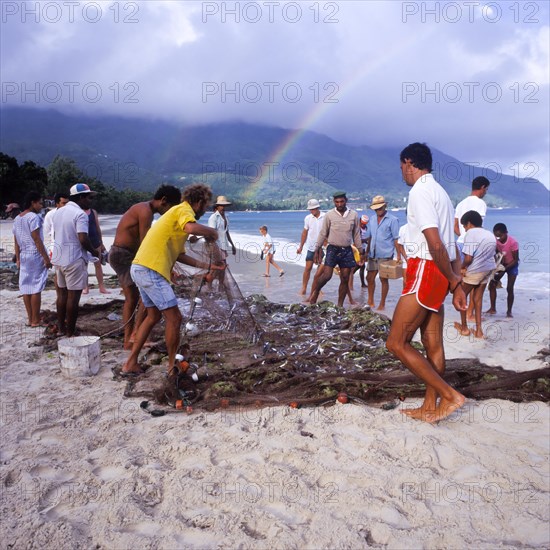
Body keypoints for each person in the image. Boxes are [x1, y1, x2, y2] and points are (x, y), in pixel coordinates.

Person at [386, 143, 466, 424]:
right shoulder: (441, 193)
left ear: (409, 162)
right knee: (433, 345)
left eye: (401, 168)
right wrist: (454, 282)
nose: (402, 174)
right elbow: (452, 245)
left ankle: (450, 395)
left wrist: (455, 282)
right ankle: (429, 406)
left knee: (396, 343)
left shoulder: (419, 191)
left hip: (426, 270)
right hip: (441, 274)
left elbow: (434, 243)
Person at [121, 184, 224, 376]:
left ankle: (130, 363)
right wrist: (212, 232)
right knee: (175, 318)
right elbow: (190, 226)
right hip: (150, 270)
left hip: (141, 267)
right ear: (199, 202)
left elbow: (179, 256)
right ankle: (172, 367)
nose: (203, 211)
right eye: (205, 206)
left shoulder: (176, 215)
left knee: (153, 316)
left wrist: (209, 266)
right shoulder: (183, 210)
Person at [109, 185, 182, 349]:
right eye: (171, 207)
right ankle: (130, 338)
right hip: (123, 254)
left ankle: (134, 335)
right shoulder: (145, 211)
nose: (170, 212)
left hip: (126, 254)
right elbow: (146, 242)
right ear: (163, 201)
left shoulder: (144, 209)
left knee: (138, 297)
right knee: (134, 298)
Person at [51, 183, 100, 336]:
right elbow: (83, 239)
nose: (90, 201)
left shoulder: (58, 212)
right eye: (88, 197)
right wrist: (95, 252)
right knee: (73, 297)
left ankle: (61, 329)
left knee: (62, 296)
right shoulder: (80, 215)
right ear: (80, 198)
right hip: (74, 259)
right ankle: (70, 332)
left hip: (59, 259)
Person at [307, 191, 362, 308]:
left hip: (347, 250)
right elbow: (323, 233)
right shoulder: (329, 215)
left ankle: (340, 305)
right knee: (327, 275)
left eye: (342, 201)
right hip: (332, 249)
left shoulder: (354, 215)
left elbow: (356, 234)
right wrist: (317, 248)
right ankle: (316, 291)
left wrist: (361, 251)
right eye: (337, 202)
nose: (340, 204)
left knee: (345, 278)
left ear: (346, 201)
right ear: (334, 202)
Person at [453, 210, 496, 338]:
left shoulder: (471, 234)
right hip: (488, 269)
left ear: (469, 223)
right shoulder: (489, 234)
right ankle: (479, 331)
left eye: (465, 226)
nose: (465, 230)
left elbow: (468, 259)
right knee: (478, 299)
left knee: (461, 298)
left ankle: (465, 328)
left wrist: (461, 268)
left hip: (475, 271)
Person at [12, 191, 52, 327]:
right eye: (39, 202)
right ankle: (35, 320)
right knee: (35, 287)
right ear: (32, 203)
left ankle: (30, 319)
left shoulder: (18, 218)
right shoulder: (33, 217)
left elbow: (16, 241)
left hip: (24, 255)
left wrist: (18, 258)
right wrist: (46, 258)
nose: (41, 205)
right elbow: (37, 240)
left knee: (26, 287)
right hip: (35, 254)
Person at [365, 195, 400, 311]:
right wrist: (365, 252)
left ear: (385, 206)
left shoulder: (393, 220)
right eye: (376, 208)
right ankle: (370, 300)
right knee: (369, 277)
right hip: (372, 253)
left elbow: (396, 239)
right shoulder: (372, 219)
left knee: (383, 279)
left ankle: (382, 303)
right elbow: (369, 237)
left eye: (380, 208)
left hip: (386, 254)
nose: (378, 210)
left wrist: (399, 255)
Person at [486, 223, 519, 318]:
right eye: (496, 236)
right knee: (492, 284)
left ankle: (509, 311)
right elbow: (495, 253)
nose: (498, 238)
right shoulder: (495, 241)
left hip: (512, 265)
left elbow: (516, 260)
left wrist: (504, 270)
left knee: (509, 288)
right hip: (501, 264)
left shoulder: (513, 242)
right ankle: (492, 308)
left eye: (500, 236)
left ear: (506, 233)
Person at [296, 199, 325, 295]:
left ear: (317, 208)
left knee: (320, 270)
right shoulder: (308, 218)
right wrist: (300, 246)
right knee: (307, 268)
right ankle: (304, 288)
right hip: (311, 247)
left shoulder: (325, 217)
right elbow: (304, 233)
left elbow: (330, 232)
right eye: (310, 209)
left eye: (313, 209)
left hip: (322, 247)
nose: (311, 211)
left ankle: (318, 288)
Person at [208, 195, 237, 284]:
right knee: (217, 267)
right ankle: (209, 285)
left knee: (221, 268)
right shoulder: (213, 217)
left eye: (224, 206)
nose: (223, 207)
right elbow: (211, 233)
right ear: (217, 206)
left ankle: (219, 287)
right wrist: (214, 248)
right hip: (216, 245)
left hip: (223, 246)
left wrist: (232, 245)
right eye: (221, 205)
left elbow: (226, 232)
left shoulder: (226, 218)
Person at [83, 206, 110, 294]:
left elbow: (97, 227)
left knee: (98, 264)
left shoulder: (93, 212)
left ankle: (101, 287)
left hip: (95, 241)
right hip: (83, 241)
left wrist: (101, 242)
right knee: (84, 266)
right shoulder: (77, 212)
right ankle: (85, 287)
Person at [358, 214, 370, 288]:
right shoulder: (358, 229)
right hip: (358, 249)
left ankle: (362, 283)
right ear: (360, 221)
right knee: (357, 266)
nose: (362, 225)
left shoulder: (366, 228)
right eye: (361, 223)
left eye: (364, 224)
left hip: (363, 249)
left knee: (362, 267)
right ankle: (348, 282)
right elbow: (358, 240)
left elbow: (364, 239)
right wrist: (367, 240)